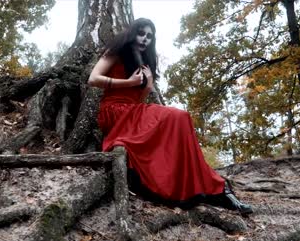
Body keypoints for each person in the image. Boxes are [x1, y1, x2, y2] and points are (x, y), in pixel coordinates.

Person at [88, 18, 252, 215]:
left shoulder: (145, 62)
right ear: (132, 33)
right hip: (113, 111)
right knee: (176, 118)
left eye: (149, 36)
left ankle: (211, 187)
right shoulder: (115, 52)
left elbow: (137, 100)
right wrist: (130, 82)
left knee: (180, 118)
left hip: (132, 110)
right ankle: (189, 188)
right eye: (141, 33)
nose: (145, 39)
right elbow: (93, 79)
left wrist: (147, 87)